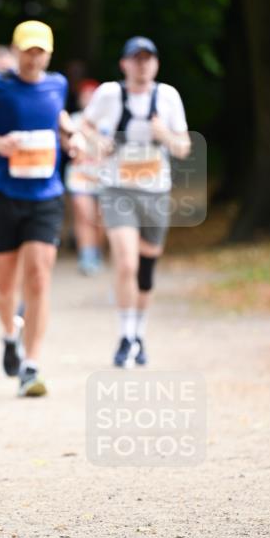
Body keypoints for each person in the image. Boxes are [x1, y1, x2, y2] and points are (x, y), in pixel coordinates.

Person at [0, 20, 85, 397]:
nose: (33, 58)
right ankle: (11, 334)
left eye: (40, 51)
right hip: (4, 195)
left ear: (49, 55)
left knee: (38, 276)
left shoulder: (58, 84)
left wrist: (71, 136)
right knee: (4, 287)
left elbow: (58, 115)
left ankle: (32, 364)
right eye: (27, 51)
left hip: (45, 196)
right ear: (15, 51)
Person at [82, 37, 190, 367]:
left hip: (155, 192)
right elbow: (84, 125)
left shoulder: (168, 96)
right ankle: (125, 335)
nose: (142, 65)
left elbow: (183, 147)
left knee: (145, 269)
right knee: (126, 263)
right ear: (124, 64)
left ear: (156, 64)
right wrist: (98, 141)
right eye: (136, 59)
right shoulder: (109, 94)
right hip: (118, 190)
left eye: (148, 59)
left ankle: (139, 333)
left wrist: (164, 135)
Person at [64, 79, 105, 275]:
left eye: (92, 96)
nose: (88, 100)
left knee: (101, 219)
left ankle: (97, 251)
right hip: (80, 176)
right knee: (84, 216)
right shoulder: (73, 120)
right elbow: (66, 147)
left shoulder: (108, 121)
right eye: (85, 96)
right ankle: (86, 257)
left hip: (104, 177)